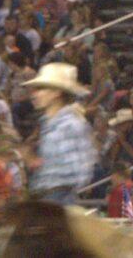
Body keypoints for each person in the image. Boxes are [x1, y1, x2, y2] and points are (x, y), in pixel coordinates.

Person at [23, 62, 96, 204]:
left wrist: (39, 164)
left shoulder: (71, 124)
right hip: (46, 198)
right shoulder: (50, 124)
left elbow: (80, 171)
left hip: (58, 199)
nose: (35, 94)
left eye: (41, 89)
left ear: (57, 92)